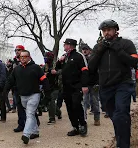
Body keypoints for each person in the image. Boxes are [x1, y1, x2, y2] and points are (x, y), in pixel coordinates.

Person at [89, 19, 138, 148]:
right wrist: (100, 50)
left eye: (109, 30)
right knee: (115, 116)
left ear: (115, 30)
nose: (106, 33)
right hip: (105, 86)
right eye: (104, 30)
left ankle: (123, 144)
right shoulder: (98, 47)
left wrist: (118, 50)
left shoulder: (126, 43)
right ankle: (123, 133)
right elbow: (91, 67)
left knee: (121, 113)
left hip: (123, 83)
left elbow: (134, 62)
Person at [5, 50, 50, 144]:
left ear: (29, 57)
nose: (22, 58)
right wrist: (5, 91)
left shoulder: (36, 68)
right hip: (23, 96)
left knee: (29, 114)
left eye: (25, 56)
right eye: (21, 57)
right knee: (31, 114)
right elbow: (10, 80)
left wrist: (47, 94)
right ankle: (35, 131)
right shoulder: (17, 69)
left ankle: (26, 134)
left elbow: (44, 81)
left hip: (34, 94)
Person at [53, 38, 89, 137]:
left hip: (76, 86)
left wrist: (85, 85)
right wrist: (59, 62)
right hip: (66, 87)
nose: (63, 46)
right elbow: (57, 69)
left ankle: (82, 124)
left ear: (69, 45)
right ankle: (75, 127)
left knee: (76, 105)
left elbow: (85, 70)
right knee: (69, 107)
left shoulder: (78, 56)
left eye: (65, 44)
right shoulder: (64, 56)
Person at [81, 44, 100, 126]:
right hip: (85, 84)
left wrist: (98, 83)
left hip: (94, 83)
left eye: (86, 49)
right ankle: (83, 120)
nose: (84, 51)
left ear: (89, 50)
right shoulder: (80, 60)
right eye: (83, 49)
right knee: (84, 102)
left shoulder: (94, 59)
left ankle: (97, 118)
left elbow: (98, 71)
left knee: (95, 102)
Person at [42, 52, 62, 125]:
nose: (45, 59)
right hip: (47, 87)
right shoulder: (45, 67)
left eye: (46, 57)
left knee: (51, 101)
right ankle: (58, 112)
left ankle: (52, 119)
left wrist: (56, 72)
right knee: (49, 102)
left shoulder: (56, 65)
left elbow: (62, 71)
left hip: (56, 87)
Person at [12, 45, 27, 133]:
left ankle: (34, 121)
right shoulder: (15, 61)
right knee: (19, 106)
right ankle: (21, 124)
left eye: (19, 50)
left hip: (25, 87)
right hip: (17, 87)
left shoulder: (28, 60)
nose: (17, 51)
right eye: (16, 50)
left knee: (28, 107)